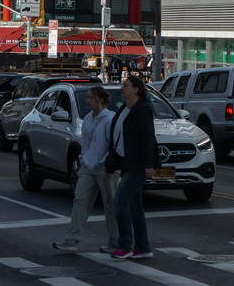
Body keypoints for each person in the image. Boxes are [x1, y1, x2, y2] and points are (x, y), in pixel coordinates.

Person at [53, 86, 118, 254]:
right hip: (88, 168)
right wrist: (84, 159)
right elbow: (86, 144)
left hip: (105, 169)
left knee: (110, 206)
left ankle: (115, 242)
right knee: (79, 202)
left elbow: (114, 145)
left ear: (100, 100)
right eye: (87, 97)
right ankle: (72, 240)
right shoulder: (88, 119)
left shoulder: (109, 119)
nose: (88, 100)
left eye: (91, 98)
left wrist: (108, 165)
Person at [108, 75, 160, 260]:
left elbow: (148, 139)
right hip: (127, 163)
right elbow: (118, 137)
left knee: (120, 199)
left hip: (138, 164)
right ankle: (143, 247)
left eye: (125, 85)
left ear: (136, 89)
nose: (121, 88)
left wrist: (148, 165)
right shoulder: (125, 109)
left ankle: (125, 245)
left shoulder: (142, 110)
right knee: (135, 205)